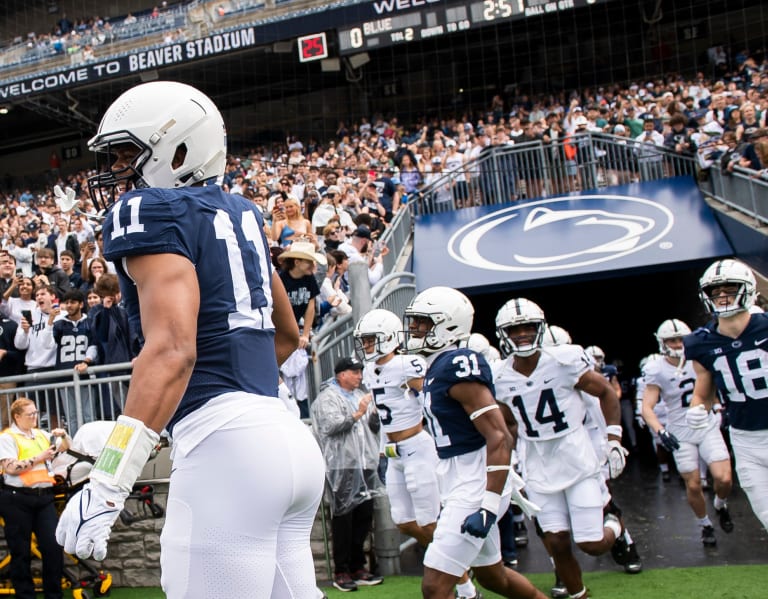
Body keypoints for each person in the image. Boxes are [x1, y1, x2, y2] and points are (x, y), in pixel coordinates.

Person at [54, 81, 326, 599]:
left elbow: (174, 350)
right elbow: (287, 335)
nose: (115, 170)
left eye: (127, 153)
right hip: (285, 437)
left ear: (178, 150)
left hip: (227, 452)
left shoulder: (149, 212)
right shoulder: (242, 212)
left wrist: (110, 479)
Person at [402, 287, 546, 599]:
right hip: (459, 477)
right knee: (495, 579)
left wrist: (488, 505)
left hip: (475, 481)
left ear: (448, 326)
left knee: (435, 586)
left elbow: (499, 436)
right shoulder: (436, 366)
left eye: (423, 323)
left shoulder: (458, 364)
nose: (414, 329)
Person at [492, 298, 628, 599]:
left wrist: (614, 439)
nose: (523, 334)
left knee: (591, 543)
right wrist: (510, 460)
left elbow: (605, 391)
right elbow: (509, 425)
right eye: (515, 329)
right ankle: (579, 594)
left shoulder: (564, 360)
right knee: (556, 543)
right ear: (504, 334)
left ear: (540, 328)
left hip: (575, 456)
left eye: (528, 327)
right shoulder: (499, 375)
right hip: (537, 462)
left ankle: (616, 526)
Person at [684, 258, 768, 532]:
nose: (721, 296)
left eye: (729, 288)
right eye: (715, 291)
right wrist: (697, 409)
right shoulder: (700, 342)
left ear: (748, 289)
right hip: (746, 440)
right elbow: (704, 392)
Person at [642, 318, 733, 546]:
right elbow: (647, 406)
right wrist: (660, 431)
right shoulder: (656, 368)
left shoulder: (699, 359)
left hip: (705, 423)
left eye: (680, 339)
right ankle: (705, 525)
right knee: (693, 484)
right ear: (662, 342)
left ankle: (720, 505)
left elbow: (715, 387)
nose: (676, 343)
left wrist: (717, 407)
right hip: (680, 430)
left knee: (724, 478)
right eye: (671, 340)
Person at [310, 356, 384, 592]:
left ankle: (358, 566)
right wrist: (358, 414)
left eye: (360, 371)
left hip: (364, 463)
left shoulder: (361, 394)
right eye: (354, 372)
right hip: (342, 466)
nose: (359, 376)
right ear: (341, 374)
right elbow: (329, 427)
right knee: (344, 519)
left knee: (364, 516)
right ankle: (341, 570)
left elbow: (372, 429)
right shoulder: (327, 398)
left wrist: (374, 415)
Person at [0, 397, 70, 599]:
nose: (35, 417)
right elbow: (10, 468)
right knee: (20, 551)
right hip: (16, 499)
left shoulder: (40, 434)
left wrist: (63, 435)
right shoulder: (8, 437)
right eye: (30, 414)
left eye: (36, 413)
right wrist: (40, 458)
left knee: (53, 546)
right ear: (17, 416)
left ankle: (54, 595)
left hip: (44, 497)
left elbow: (64, 448)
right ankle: (25, 595)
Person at [45, 289, 98, 436]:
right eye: (66, 302)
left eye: (73, 302)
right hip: (65, 374)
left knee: (89, 415)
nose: (69, 305)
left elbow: (94, 345)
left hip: (84, 374)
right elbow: (47, 345)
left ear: (81, 304)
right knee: (72, 417)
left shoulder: (89, 323)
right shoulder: (60, 324)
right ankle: (76, 447)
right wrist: (50, 321)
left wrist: (86, 361)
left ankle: (90, 445)